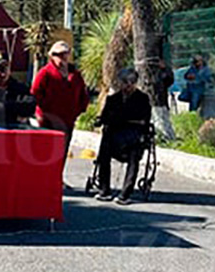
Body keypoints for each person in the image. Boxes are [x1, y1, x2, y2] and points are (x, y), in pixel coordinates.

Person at [94, 69, 152, 204]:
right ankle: (104, 190)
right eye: (125, 82)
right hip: (114, 134)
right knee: (105, 147)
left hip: (133, 136)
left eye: (131, 82)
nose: (128, 85)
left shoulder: (142, 99)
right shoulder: (113, 99)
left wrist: (121, 119)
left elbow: (144, 120)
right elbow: (105, 117)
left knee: (134, 151)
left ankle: (125, 193)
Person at [32, 40, 90, 172]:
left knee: (62, 152)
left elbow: (83, 93)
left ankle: (58, 177)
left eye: (65, 54)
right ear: (52, 56)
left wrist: (80, 109)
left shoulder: (75, 74)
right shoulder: (45, 73)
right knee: (46, 152)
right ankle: (44, 177)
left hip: (68, 120)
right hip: (48, 121)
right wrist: (44, 110)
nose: (62, 57)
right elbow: (35, 93)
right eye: (58, 54)